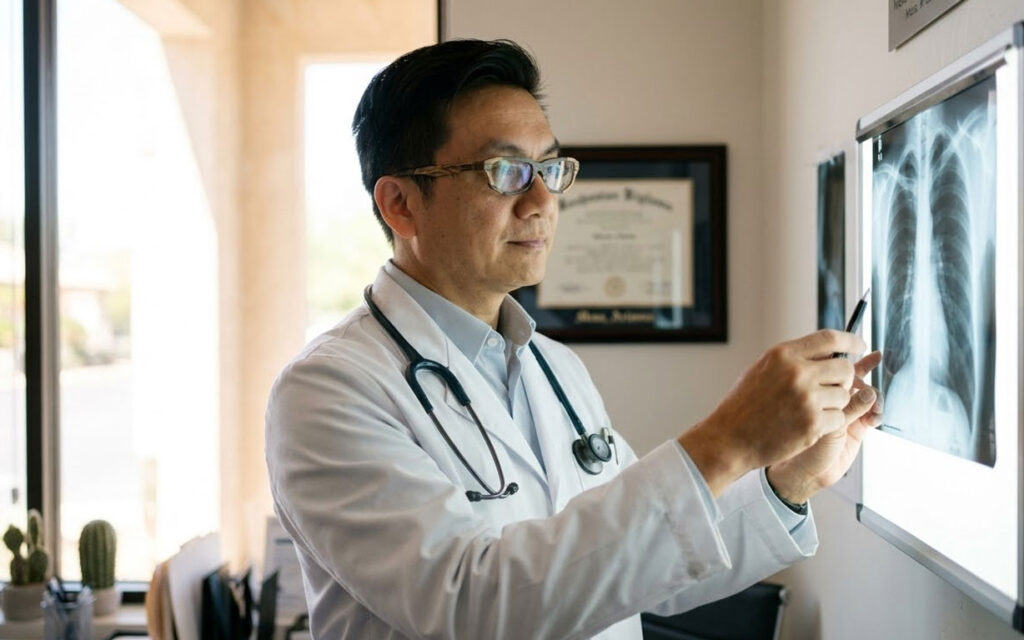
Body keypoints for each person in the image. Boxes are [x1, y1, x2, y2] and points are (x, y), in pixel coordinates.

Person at [265, 39, 883, 640]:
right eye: (504, 172)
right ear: (400, 205)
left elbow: (641, 568)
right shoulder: (328, 391)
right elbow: (473, 607)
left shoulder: (553, 368)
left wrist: (789, 480)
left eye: (549, 169)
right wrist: (729, 439)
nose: (541, 201)